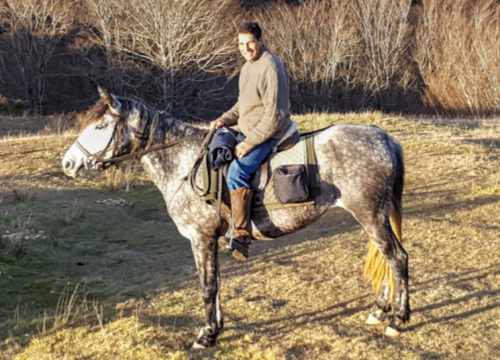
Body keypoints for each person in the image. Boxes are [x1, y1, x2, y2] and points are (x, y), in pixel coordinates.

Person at [211, 21, 293, 261]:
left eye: (250, 43)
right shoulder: (248, 67)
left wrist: (250, 143)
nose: (245, 48)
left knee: (236, 172)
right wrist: (225, 119)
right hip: (248, 130)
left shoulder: (270, 66)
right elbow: (243, 105)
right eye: (240, 44)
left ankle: (242, 235)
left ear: (260, 41)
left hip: (270, 132)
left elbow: (275, 115)